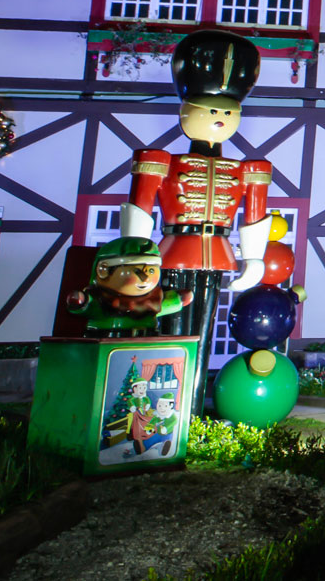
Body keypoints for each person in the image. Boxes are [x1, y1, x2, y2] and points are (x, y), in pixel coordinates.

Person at [118, 31, 274, 415]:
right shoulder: (162, 161)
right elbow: (140, 208)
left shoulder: (248, 170)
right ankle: (159, 406)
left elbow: (253, 216)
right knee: (167, 325)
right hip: (173, 253)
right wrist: (135, 255)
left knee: (202, 329)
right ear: (186, 109)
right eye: (210, 109)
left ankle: (188, 406)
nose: (219, 118)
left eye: (226, 111)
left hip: (218, 255)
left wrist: (253, 259)